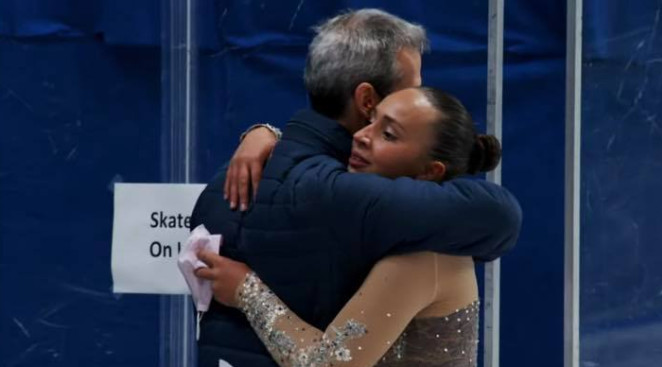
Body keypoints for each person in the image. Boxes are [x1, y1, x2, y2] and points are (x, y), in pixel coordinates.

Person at [190, 9, 521, 367]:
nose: (363, 137)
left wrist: (247, 291)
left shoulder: (223, 185)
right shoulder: (363, 204)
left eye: (388, 133)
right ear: (366, 102)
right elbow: (501, 215)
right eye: (378, 119)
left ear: (431, 171)